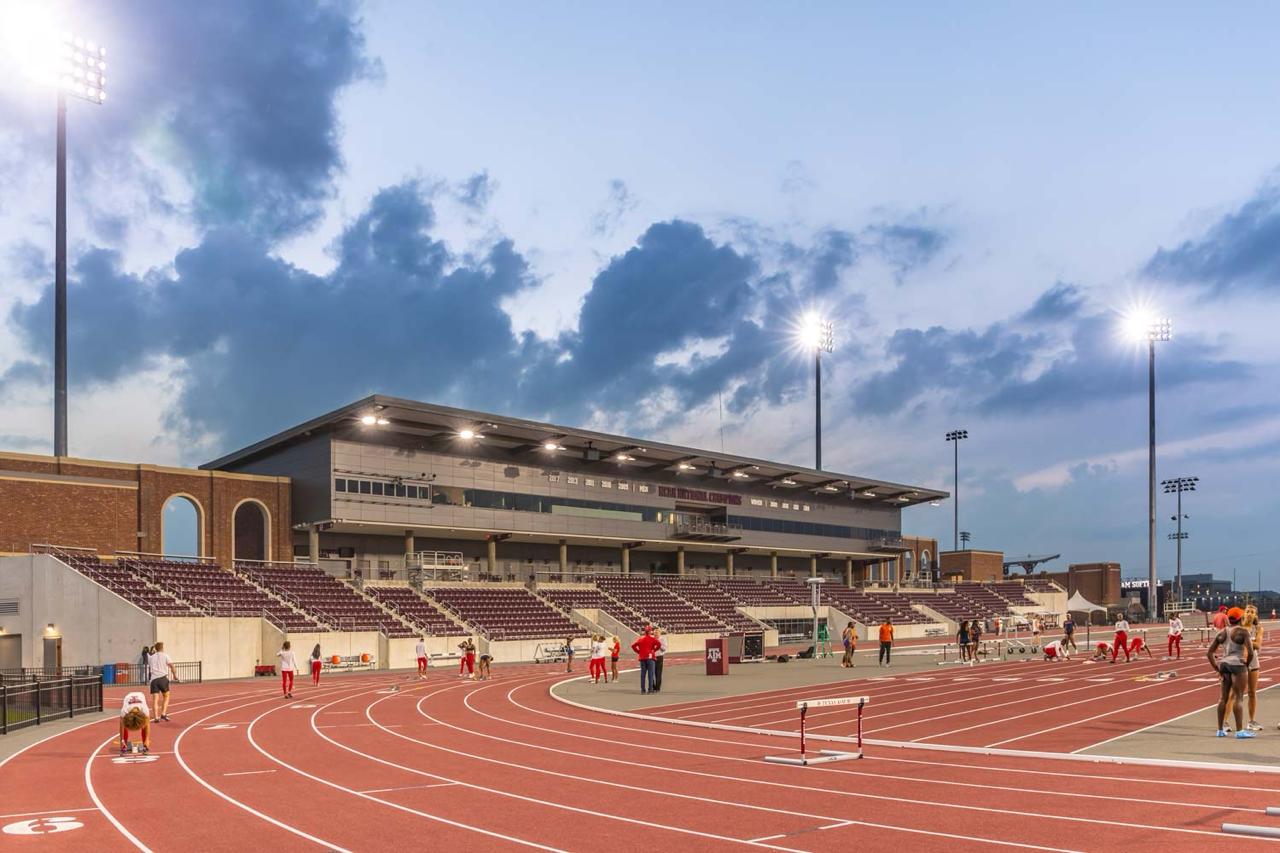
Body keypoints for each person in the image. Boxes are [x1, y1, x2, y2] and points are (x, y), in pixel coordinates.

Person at [1208, 608, 1255, 738]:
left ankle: (1220, 730)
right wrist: (1246, 664)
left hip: (1224, 664)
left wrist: (1217, 668)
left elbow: (1209, 652)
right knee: (1238, 698)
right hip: (1237, 664)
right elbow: (1251, 652)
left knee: (1223, 698)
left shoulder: (1222, 632)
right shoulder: (1243, 632)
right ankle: (1239, 731)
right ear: (1241, 618)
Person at [1227, 606, 1264, 732]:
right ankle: (1225, 722)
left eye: (1252, 612)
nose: (1249, 614)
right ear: (1243, 614)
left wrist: (1244, 640)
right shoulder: (1237, 628)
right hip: (1238, 662)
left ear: (1255, 616)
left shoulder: (1258, 629)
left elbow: (1258, 645)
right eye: (1247, 611)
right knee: (1233, 693)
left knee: (1252, 693)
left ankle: (1251, 721)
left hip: (1253, 662)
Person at [147, 641, 177, 722]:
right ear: (162, 648)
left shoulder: (151, 657)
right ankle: (163, 714)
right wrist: (174, 675)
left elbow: (148, 660)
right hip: (162, 678)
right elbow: (172, 666)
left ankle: (156, 718)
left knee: (155, 699)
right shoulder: (165, 655)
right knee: (166, 696)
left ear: (156, 649)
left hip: (153, 680)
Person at [632, 626, 662, 694]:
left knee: (643, 675)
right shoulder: (652, 639)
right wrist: (654, 650)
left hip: (642, 658)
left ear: (645, 632)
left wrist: (639, 652)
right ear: (650, 631)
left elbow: (633, 646)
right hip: (650, 658)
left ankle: (643, 690)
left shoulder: (641, 639)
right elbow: (659, 644)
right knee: (650, 675)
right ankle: (650, 689)